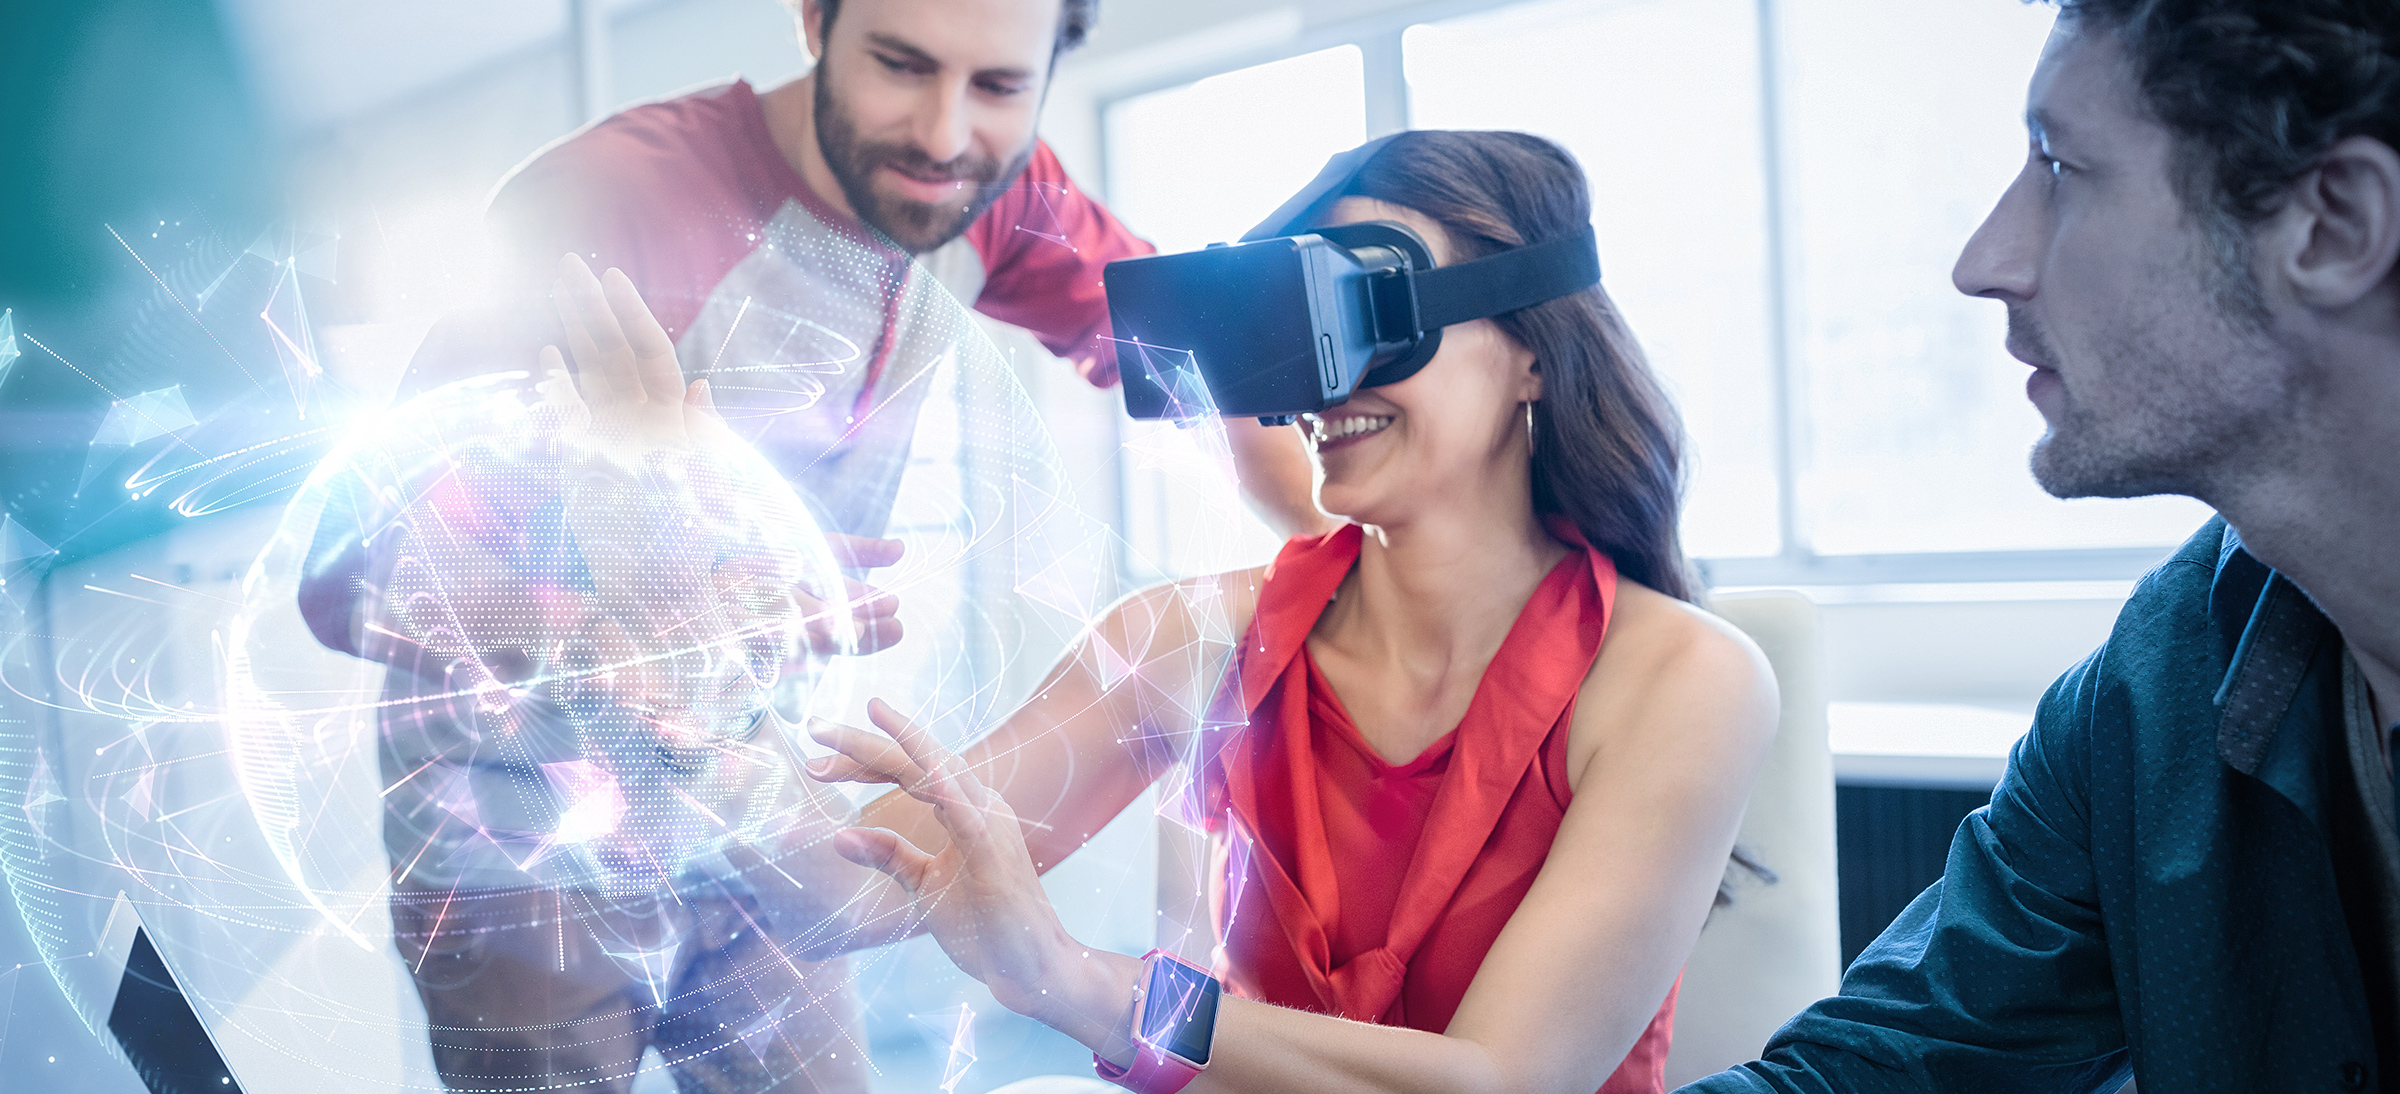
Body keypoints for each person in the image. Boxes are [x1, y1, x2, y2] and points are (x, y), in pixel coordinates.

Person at [787, 130, 1781, 1094]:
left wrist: (1080, 980)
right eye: (1301, 331)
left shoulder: (1681, 677)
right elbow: (858, 879)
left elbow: (1501, 1077)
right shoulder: (1190, 638)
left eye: (1368, 311)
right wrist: (694, 634)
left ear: (1532, 350)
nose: (1323, 380)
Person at [1681, 2, 2400, 1091]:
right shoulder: (2156, 681)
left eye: (2061, 165)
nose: (1984, 263)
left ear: (2333, 225)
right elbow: (1869, 1072)